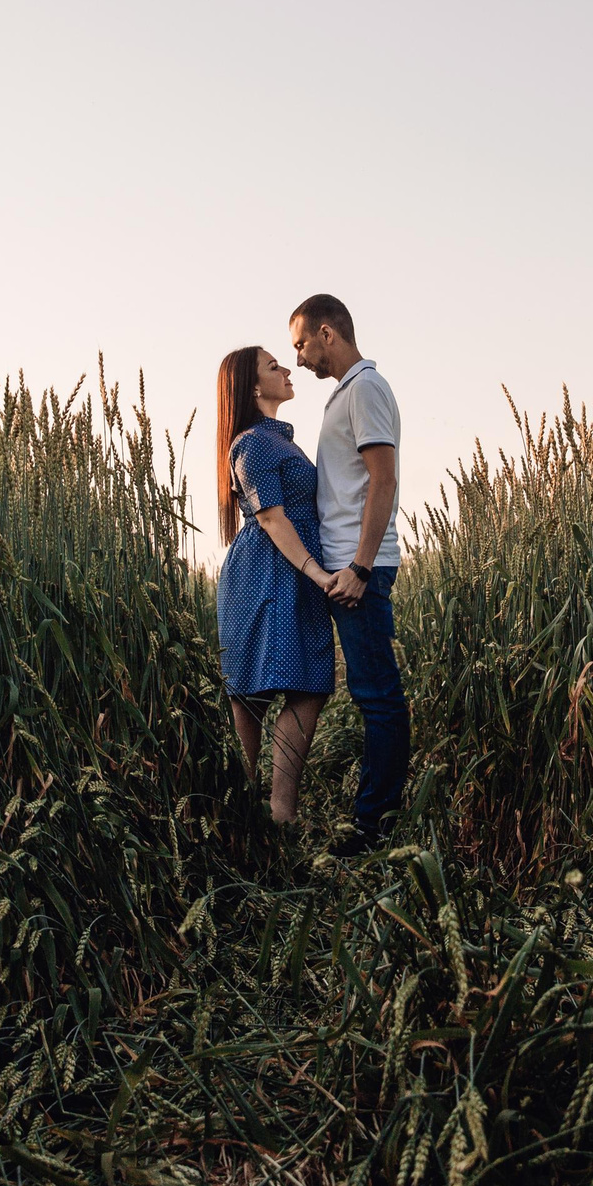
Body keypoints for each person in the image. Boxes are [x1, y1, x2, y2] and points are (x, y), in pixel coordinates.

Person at [288, 293, 407, 856]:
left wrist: (359, 567)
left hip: (360, 567)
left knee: (378, 696)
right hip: (343, 566)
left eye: (302, 343)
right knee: (369, 694)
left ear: (328, 333)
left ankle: (374, 827)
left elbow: (382, 481)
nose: (300, 357)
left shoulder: (365, 389)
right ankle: (375, 816)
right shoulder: (346, 395)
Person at [213, 344, 339, 827]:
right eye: (273, 366)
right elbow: (269, 516)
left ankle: (281, 811)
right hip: (266, 574)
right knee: (250, 696)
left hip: (297, 572)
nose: (287, 369)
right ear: (252, 386)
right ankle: (242, 818)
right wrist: (316, 571)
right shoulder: (251, 443)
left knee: (308, 686)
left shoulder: (281, 440)